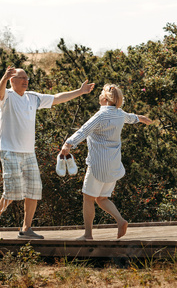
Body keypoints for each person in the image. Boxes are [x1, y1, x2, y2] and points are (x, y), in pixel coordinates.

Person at [0, 66, 95, 239]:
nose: (25, 81)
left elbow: (57, 98)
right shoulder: (7, 96)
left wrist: (80, 91)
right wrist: (4, 78)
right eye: (21, 78)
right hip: (9, 149)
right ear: (12, 81)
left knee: (34, 190)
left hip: (29, 152)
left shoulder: (33, 98)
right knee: (13, 191)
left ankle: (26, 229)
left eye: (27, 78)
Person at [59, 84, 152, 241]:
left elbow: (83, 130)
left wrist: (67, 144)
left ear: (104, 98)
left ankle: (88, 235)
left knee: (88, 198)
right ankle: (121, 221)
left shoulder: (100, 116)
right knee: (102, 198)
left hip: (98, 164)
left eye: (100, 94)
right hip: (113, 164)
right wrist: (141, 118)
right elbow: (132, 118)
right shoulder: (120, 114)